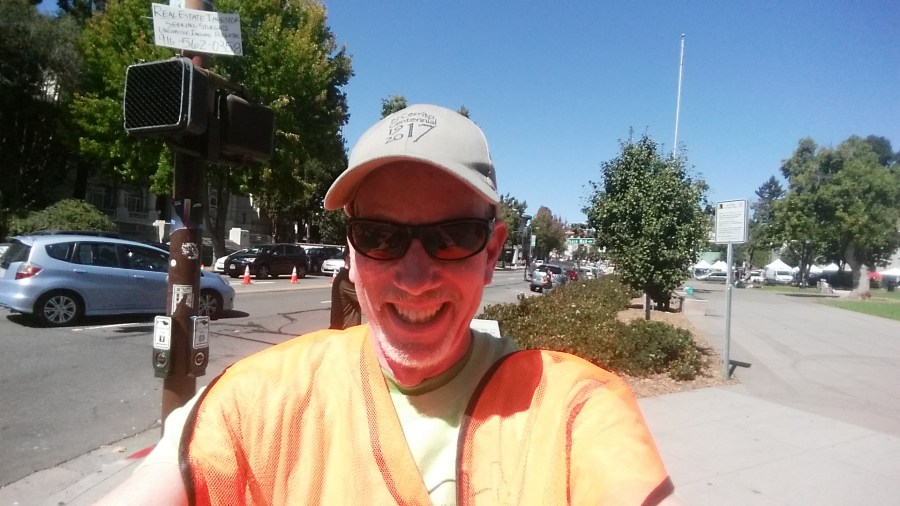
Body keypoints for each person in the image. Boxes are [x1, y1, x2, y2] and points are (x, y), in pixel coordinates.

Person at [98, 104, 679, 505]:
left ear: (492, 251)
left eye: (452, 236)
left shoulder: (574, 412)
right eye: (380, 236)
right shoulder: (260, 399)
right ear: (351, 253)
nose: (416, 277)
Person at [329, 248, 361, 329]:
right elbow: (367, 299)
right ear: (350, 256)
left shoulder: (344, 276)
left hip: (346, 331)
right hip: (344, 332)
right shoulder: (345, 279)